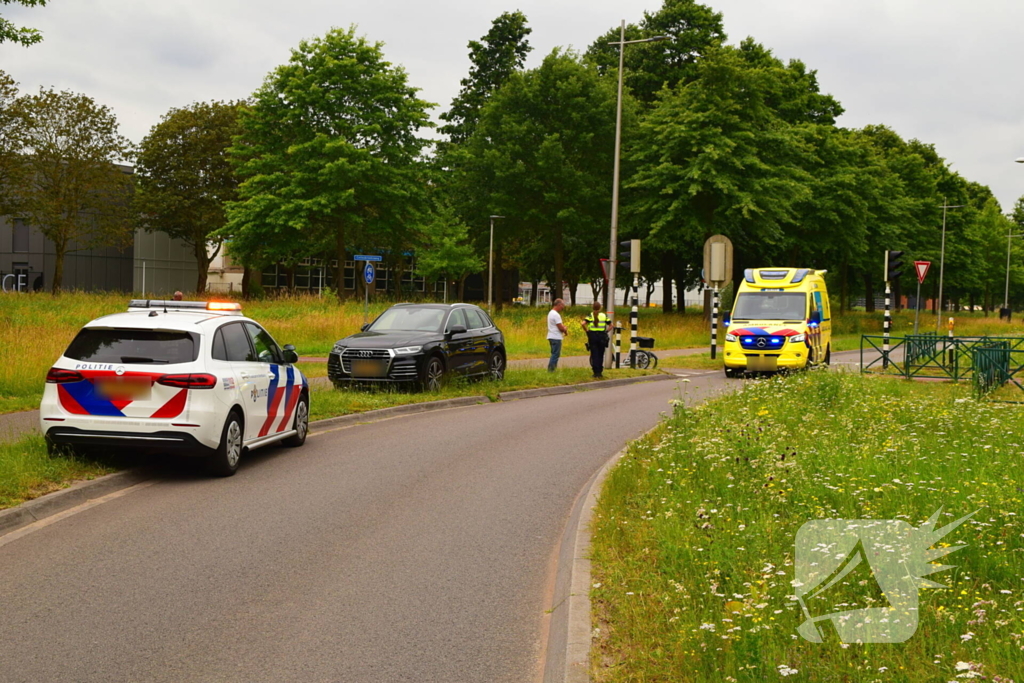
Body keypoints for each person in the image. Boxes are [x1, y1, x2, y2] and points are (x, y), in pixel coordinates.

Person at [581, 301, 610, 378]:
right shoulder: (604, 316)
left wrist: (587, 331)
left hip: (593, 336)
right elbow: (611, 325)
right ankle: (600, 372)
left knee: (594, 354)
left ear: (592, 307)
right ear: (600, 308)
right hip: (601, 336)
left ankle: (595, 372)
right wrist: (606, 331)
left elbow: (583, 324)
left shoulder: (590, 316)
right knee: (601, 354)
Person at [546, 298, 567, 372]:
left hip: (551, 335)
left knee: (553, 353)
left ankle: (552, 368)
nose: (563, 307)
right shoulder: (556, 315)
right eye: (562, 305)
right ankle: (551, 370)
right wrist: (564, 328)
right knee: (555, 354)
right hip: (556, 337)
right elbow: (560, 327)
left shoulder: (550, 313)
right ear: (559, 305)